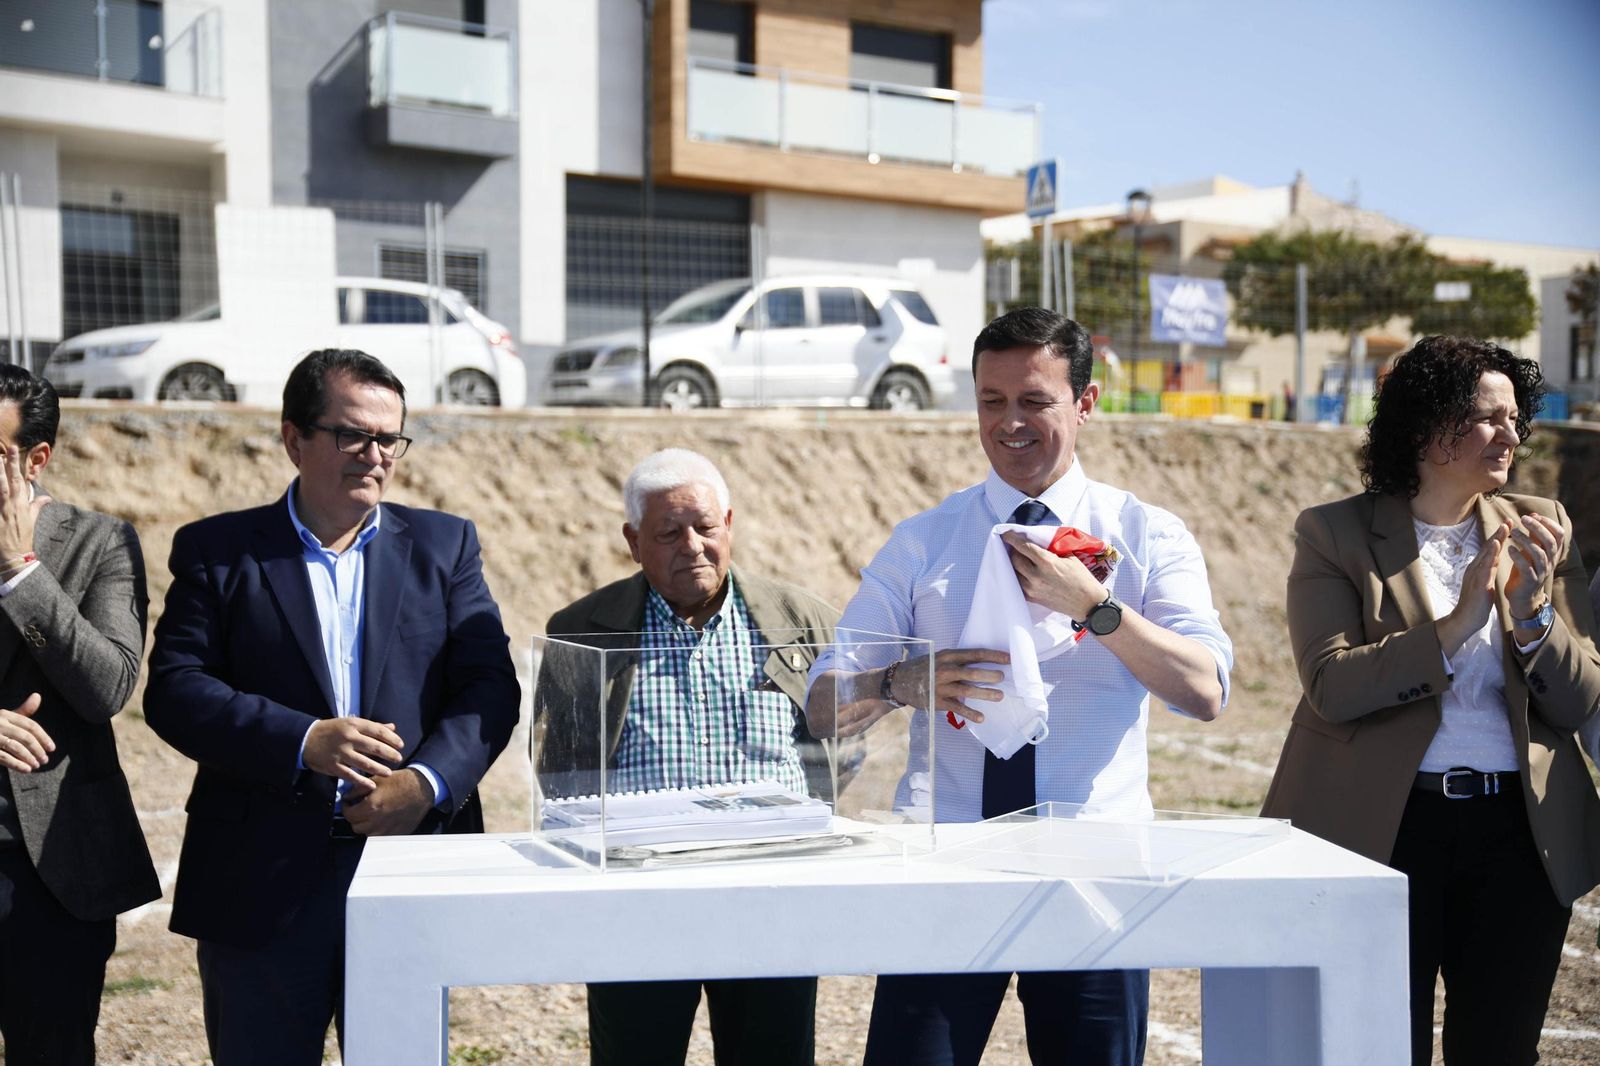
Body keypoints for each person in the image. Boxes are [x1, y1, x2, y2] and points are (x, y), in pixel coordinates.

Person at [808, 307, 1233, 1066]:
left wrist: (1097, 610)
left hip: (1094, 869)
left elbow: (1205, 690)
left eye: (1035, 401)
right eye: (991, 401)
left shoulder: (1145, 536)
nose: (1011, 423)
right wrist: (902, 680)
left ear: (1086, 402)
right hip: (949, 864)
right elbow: (822, 705)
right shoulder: (923, 542)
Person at [145, 349, 521, 1065]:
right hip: (260, 877)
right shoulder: (217, 551)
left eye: (389, 439)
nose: (374, 455)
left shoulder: (445, 546)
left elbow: (490, 687)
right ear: (294, 439)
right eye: (352, 435)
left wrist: (427, 784)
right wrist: (303, 740)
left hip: (407, 865)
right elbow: (176, 688)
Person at [1260, 335, 1600, 1066]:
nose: (1510, 433)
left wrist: (1536, 616)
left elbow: (1580, 702)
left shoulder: (1544, 525)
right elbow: (1330, 685)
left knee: (1500, 1053)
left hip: (1521, 838)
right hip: (1385, 834)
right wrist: (1454, 628)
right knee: (1380, 1050)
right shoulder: (1334, 532)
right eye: (1486, 417)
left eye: (1516, 417)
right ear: (1423, 425)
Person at [538, 448, 836, 1066]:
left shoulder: (796, 618)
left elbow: (842, 742)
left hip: (770, 894)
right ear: (633, 541)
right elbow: (558, 771)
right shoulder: (582, 629)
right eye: (669, 533)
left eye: (706, 527)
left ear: (730, 523)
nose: (693, 546)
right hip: (637, 900)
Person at [0, 364, 160, 1064]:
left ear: (36, 458)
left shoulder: (103, 543)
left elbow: (107, 688)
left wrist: (21, 570)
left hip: (53, 869)